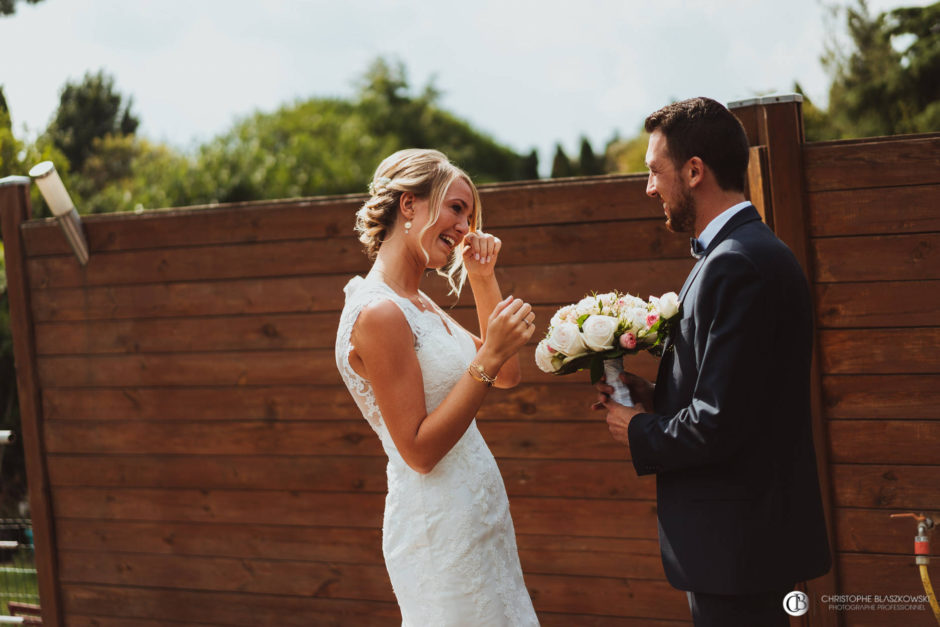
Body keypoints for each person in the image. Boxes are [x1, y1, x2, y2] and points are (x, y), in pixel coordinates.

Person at [593, 98, 831, 626]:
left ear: (694, 170)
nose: (649, 187)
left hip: (739, 549)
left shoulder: (737, 263)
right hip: (740, 547)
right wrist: (659, 397)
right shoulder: (736, 254)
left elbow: (721, 423)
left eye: (655, 171)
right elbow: (744, 397)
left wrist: (639, 428)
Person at [335, 148, 540, 626]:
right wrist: (489, 356)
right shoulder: (379, 312)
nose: (466, 227)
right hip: (438, 529)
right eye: (456, 208)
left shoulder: (419, 302)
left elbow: (507, 374)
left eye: (469, 214)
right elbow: (419, 451)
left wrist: (482, 278)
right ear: (409, 205)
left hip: (479, 521)